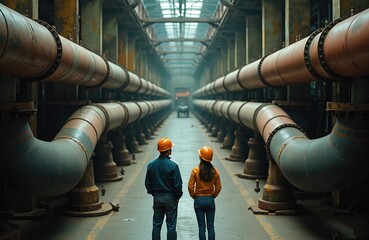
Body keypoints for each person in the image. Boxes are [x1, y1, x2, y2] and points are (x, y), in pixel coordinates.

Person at [145, 137, 183, 240]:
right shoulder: (173, 166)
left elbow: (147, 184)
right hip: (170, 198)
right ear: (169, 150)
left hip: (157, 198)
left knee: (157, 224)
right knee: (171, 226)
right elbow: (177, 185)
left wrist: (154, 193)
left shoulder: (151, 165)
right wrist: (177, 197)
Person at [188, 146, 221, 240]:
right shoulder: (215, 171)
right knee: (211, 226)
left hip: (199, 199)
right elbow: (218, 187)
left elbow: (190, 186)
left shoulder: (195, 170)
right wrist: (213, 195)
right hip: (210, 199)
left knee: (201, 227)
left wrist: (194, 195)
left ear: (200, 157)